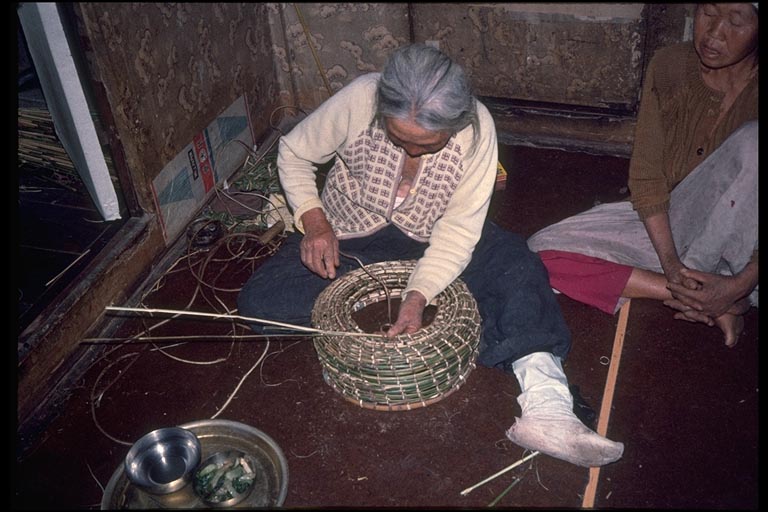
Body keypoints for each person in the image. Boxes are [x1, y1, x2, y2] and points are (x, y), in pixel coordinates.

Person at [237, 43, 624, 467]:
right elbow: (294, 152)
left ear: (456, 124)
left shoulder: (477, 131)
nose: (413, 154)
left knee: (514, 261)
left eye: (428, 145)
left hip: (431, 236)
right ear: (382, 109)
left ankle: (548, 407)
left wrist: (419, 294)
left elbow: (459, 231)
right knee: (261, 303)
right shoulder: (361, 98)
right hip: (348, 236)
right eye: (400, 139)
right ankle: (468, 313)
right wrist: (314, 222)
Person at [527, 3, 758, 348]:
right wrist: (673, 268)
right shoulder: (670, 66)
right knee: (539, 255)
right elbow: (647, 178)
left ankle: (727, 294)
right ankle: (702, 298)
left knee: (754, 142)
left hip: (746, 241)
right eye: (708, 13)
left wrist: (740, 285)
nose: (714, 33)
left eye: (736, 21)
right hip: (673, 219)